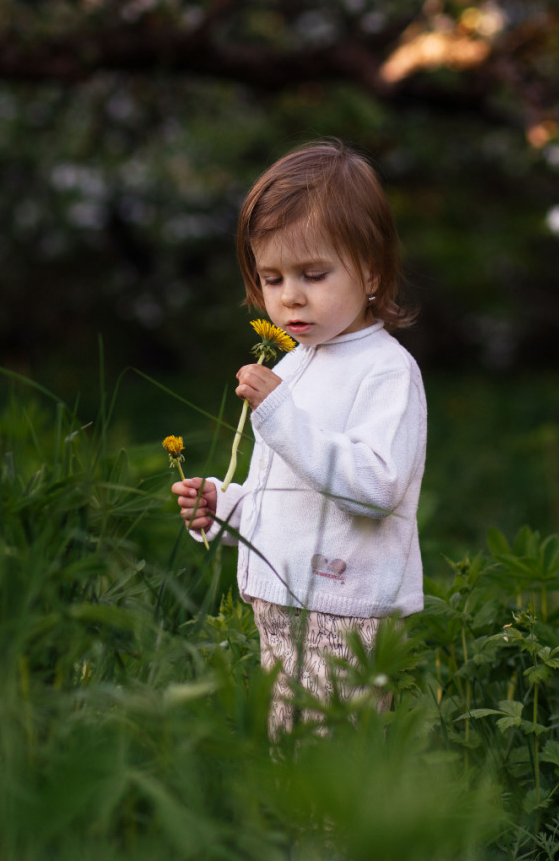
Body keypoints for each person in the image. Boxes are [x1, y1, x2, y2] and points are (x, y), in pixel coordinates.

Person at [173, 139, 427, 737]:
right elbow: (288, 489)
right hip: (284, 600)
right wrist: (226, 507)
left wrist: (281, 414)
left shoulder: (385, 370)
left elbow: (375, 488)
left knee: (333, 750)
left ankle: (341, 835)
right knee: (288, 741)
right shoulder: (294, 364)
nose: (290, 296)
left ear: (370, 271)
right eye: (271, 277)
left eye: (314, 274)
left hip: (345, 605)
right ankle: (297, 834)